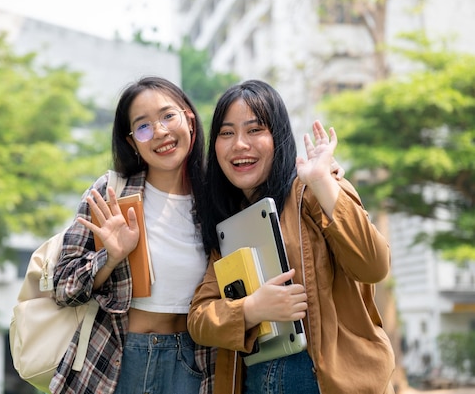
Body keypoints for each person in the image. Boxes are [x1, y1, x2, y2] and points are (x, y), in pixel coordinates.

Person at [188, 79, 395, 394]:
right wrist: (252, 308)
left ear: (278, 137)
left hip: (327, 381)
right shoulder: (230, 225)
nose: (240, 144)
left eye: (255, 130)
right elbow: (199, 318)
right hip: (257, 381)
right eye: (227, 133)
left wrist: (322, 182)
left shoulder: (313, 192)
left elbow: (374, 266)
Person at [50, 76, 215, 394]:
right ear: (131, 141)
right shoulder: (112, 193)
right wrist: (109, 258)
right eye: (143, 126)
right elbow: (63, 286)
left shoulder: (216, 198)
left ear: (189, 119)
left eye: (168, 116)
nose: (161, 132)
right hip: (121, 359)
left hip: (195, 361)